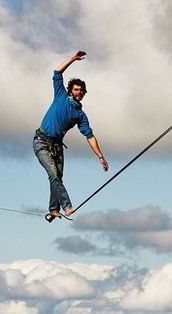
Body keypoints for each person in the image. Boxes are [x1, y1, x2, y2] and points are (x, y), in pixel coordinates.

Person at [34, 51, 108, 222]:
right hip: (41, 142)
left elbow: (89, 136)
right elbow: (57, 73)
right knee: (53, 174)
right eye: (76, 89)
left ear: (84, 93)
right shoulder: (60, 96)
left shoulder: (80, 115)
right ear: (70, 91)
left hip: (57, 146)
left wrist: (100, 157)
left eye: (81, 90)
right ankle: (67, 205)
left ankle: (53, 209)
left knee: (57, 178)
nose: (78, 92)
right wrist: (73, 59)